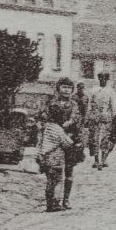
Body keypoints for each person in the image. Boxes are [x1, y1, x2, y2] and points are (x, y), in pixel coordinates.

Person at [43, 77, 84, 209]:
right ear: (58, 88)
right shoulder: (51, 103)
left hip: (70, 140)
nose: (67, 90)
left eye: (69, 88)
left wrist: (71, 123)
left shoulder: (74, 105)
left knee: (69, 171)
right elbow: (44, 118)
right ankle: (52, 201)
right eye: (64, 87)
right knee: (53, 172)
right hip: (54, 141)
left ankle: (66, 199)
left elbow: (76, 119)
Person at [34, 105, 74, 212]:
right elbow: (66, 143)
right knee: (58, 180)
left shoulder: (45, 127)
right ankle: (55, 203)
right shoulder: (58, 129)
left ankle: (49, 203)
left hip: (45, 158)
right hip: (56, 159)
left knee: (50, 181)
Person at [86, 73, 116, 169]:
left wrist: (113, 118)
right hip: (95, 117)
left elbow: (113, 106)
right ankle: (96, 160)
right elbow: (89, 105)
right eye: (101, 78)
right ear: (99, 79)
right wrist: (89, 117)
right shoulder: (93, 90)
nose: (102, 80)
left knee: (106, 139)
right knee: (94, 139)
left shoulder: (110, 91)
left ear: (107, 79)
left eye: (105, 78)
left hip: (106, 117)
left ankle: (103, 160)